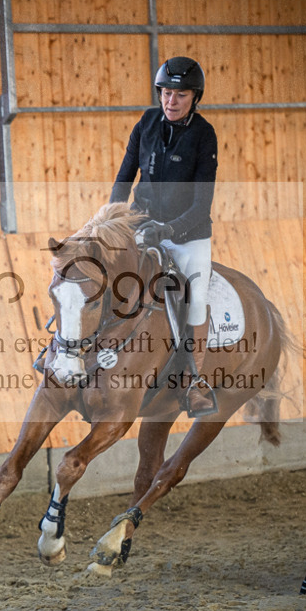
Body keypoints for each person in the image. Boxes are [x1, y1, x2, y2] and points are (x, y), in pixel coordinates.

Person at [109, 55, 217, 416]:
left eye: (181, 94)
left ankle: (194, 381)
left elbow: (202, 205)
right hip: (143, 226)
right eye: (166, 93)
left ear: (194, 98)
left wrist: (169, 230)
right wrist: (112, 219)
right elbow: (124, 178)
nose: (171, 101)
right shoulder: (147, 121)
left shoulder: (204, 134)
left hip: (188, 235)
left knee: (196, 297)